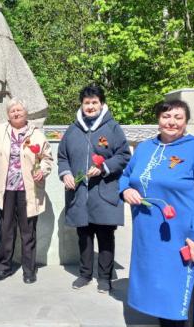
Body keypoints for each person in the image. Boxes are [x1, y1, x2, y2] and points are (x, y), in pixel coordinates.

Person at [120, 100, 194, 326]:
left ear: (186, 122)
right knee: (158, 291)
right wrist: (125, 189)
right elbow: (126, 175)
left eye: (178, 117)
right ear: (158, 119)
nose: (171, 122)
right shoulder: (145, 148)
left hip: (181, 236)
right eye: (166, 116)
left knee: (179, 297)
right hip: (148, 238)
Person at [57, 85, 131, 293]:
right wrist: (66, 173)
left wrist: (103, 168)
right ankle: (84, 274)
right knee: (84, 236)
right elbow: (63, 157)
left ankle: (105, 278)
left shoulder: (113, 128)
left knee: (106, 236)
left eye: (94, 102)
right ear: (81, 105)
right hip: (80, 193)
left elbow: (124, 155)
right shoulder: (72, 130)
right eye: (87, 103)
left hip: (104, 192)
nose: (90, 107)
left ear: (101, 104)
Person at [0, 98, 53, 284]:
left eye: (19, 110)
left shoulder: (36, 134)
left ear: (26, 113)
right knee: (6, 230)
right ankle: (4, 267)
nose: (16, 113)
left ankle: (29, 270)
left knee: (28, 231)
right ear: (8, 114)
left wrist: (43, 170)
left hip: (27, 189)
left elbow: (47, 158)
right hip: (4, 189)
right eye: (12, 110)